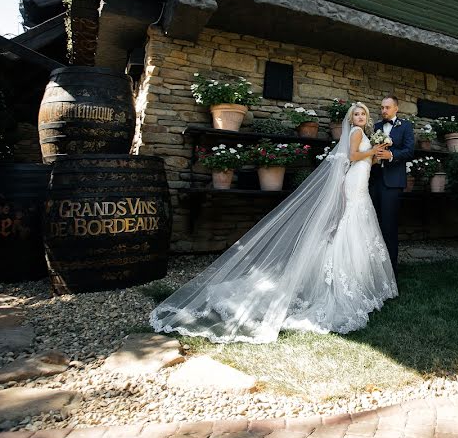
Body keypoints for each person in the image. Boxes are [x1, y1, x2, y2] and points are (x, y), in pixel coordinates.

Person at [150, 102, 398, 343]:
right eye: (356, 114)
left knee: (357, 221)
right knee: (351, 221)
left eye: (363, 114)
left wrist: (379, 153)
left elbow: (366, 160)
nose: (360, 118)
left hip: (361, 179)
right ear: (351, 119)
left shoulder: (364, 134)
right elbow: (354, 156)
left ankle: (359, 277)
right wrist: (371, 152)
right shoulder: (355, 133)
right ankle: (345, 278)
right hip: (353, 182)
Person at [369, 96, 415, 276]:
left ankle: (391, 271)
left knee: (389, 226)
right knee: (372, 224)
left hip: (393, 183)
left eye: (387, 107)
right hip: (374, 180)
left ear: (396, 108)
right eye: (381, 108)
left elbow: (409, 151)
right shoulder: (376, 128)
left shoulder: (405, 126)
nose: (384, 111)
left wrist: (391, 155)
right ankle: (373, 267)